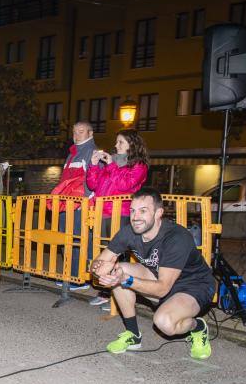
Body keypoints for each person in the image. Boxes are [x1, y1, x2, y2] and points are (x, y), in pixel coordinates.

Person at [90, 187, 214, 360]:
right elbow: (100, 261)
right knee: (119, 270)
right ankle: (133, 335)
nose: (135, 217)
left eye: (143, 211)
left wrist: (125, 279)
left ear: (158, 213)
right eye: (133, 211)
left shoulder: (176, 237)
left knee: (164, 322)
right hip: (158, 278)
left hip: (193, 286)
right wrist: (99, 270)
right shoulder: (129, 231)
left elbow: (163, 289)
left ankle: (197, 327)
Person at [86, 129, 149, 307]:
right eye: (116, 142)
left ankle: (119, 295)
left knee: (119, 255)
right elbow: (93, 184)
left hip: (121, 213)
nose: (115, 145)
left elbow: (125, 185)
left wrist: (112, 165)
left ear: (132, 145)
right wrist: (93, 166)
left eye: (120, 142)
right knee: (104, 252)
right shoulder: (110, 165)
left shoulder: (139, 165)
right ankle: (106, 291)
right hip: (102, 212)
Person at [48, 121, 98, 291]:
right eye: (74, 132)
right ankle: (70, 273)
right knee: (67, 239)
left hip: (80, 206)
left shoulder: (92, 151)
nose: (76, 135)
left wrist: (83, 202)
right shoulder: (72, 153)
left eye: (81, 132)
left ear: (90, 133)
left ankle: (80, 278)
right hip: (67, 204)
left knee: (79, 240)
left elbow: (92, 181)